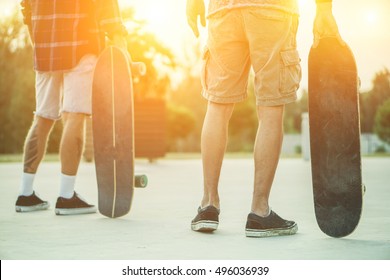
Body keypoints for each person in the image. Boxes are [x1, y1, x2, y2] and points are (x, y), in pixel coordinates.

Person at [187, 0, 344, 237]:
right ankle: (259, 212)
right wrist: (324, 9)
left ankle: (208, 205)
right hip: (273, 10)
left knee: (217, 105)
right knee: (271, 108)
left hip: (223, 11)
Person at [15, 0, 128, 215]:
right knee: (75, 116)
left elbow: (26, 7)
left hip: (45, 48)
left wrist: (36, 36)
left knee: (42, 117)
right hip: (81, 46)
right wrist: (120, 43)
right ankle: (66, 196)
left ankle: (25, 193)